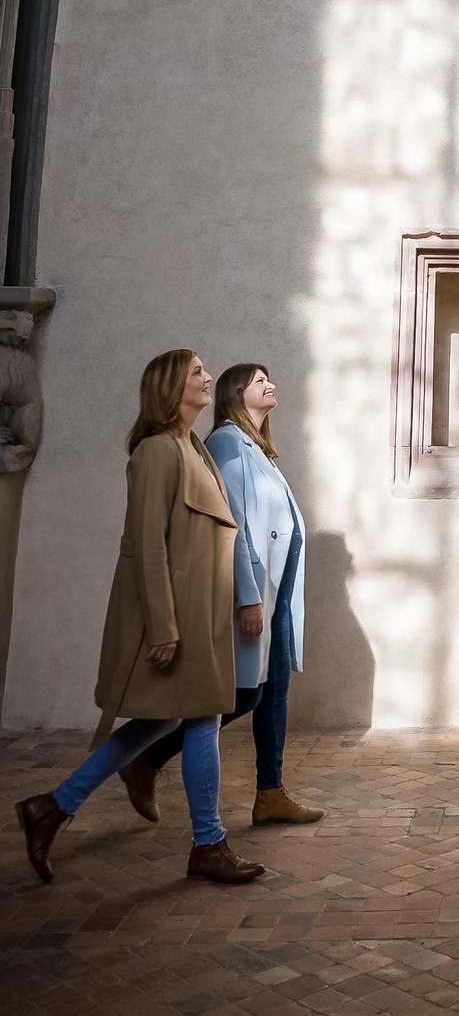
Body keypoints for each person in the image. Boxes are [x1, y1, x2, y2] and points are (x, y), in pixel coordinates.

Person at [13, 350, 265, 885]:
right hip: (179, 616)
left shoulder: (193, 446)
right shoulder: (156, 451)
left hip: (202, 613)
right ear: (172, 387)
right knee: (200, 719)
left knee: (163, 721)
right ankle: (208, 844)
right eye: (196, 371)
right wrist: (165, 627)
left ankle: (52, 806)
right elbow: (148, 545)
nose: (207, 377)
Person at [121, 363, 322, 827]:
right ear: (236, 392)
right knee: (245, 695)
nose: (271, 385)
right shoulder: (228, 443)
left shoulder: (257, 448)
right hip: (255, 590)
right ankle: (146, 759)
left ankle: (271, 792)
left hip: (277, 589)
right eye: (259, 381)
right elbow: (232, 525)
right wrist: (248, 595)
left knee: (274, 692)